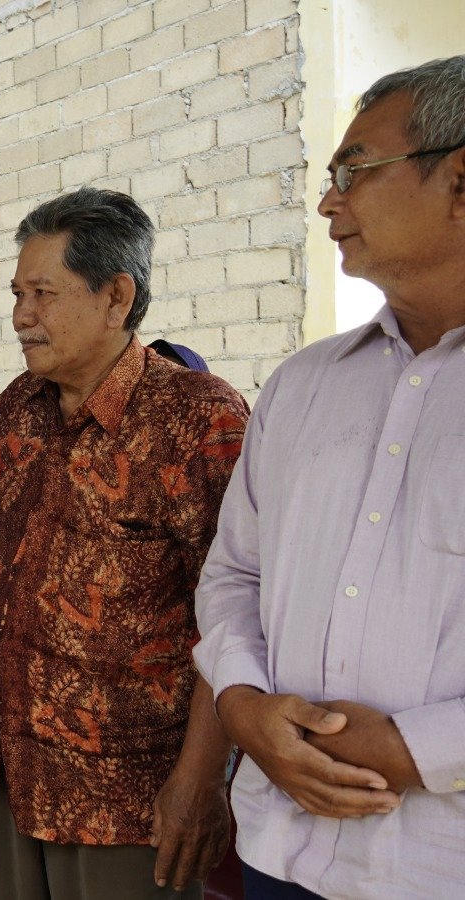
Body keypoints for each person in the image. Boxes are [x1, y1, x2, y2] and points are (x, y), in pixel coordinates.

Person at [194, 56, 465, 899]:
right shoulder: (305, 384)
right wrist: (241, 704)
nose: (326, 203)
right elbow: (235, 570)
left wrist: (421, 751)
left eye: (353, 171)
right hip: (280, 847)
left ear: (460, 182)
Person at [0, 187, 249, 899]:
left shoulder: (199, 420)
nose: (20, 316)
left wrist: (202, 776)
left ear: (116, 297)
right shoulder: (17, 407)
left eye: (42, 293)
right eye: (16, 293)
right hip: (18, 772)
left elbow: (235, 613)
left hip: (132, 795)